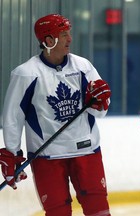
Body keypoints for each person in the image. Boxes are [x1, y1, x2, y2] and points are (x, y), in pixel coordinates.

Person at [0, 14, 111, 216]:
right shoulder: (26, 74)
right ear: (48, 40)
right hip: (47, 157)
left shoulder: (83, 67)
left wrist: (102, 101)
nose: (70, 39)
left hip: (86, 151)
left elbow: (100, 112)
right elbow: (12, 118)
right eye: (63, 34)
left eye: (68, 33)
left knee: (100, 212)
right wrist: (12, 152)